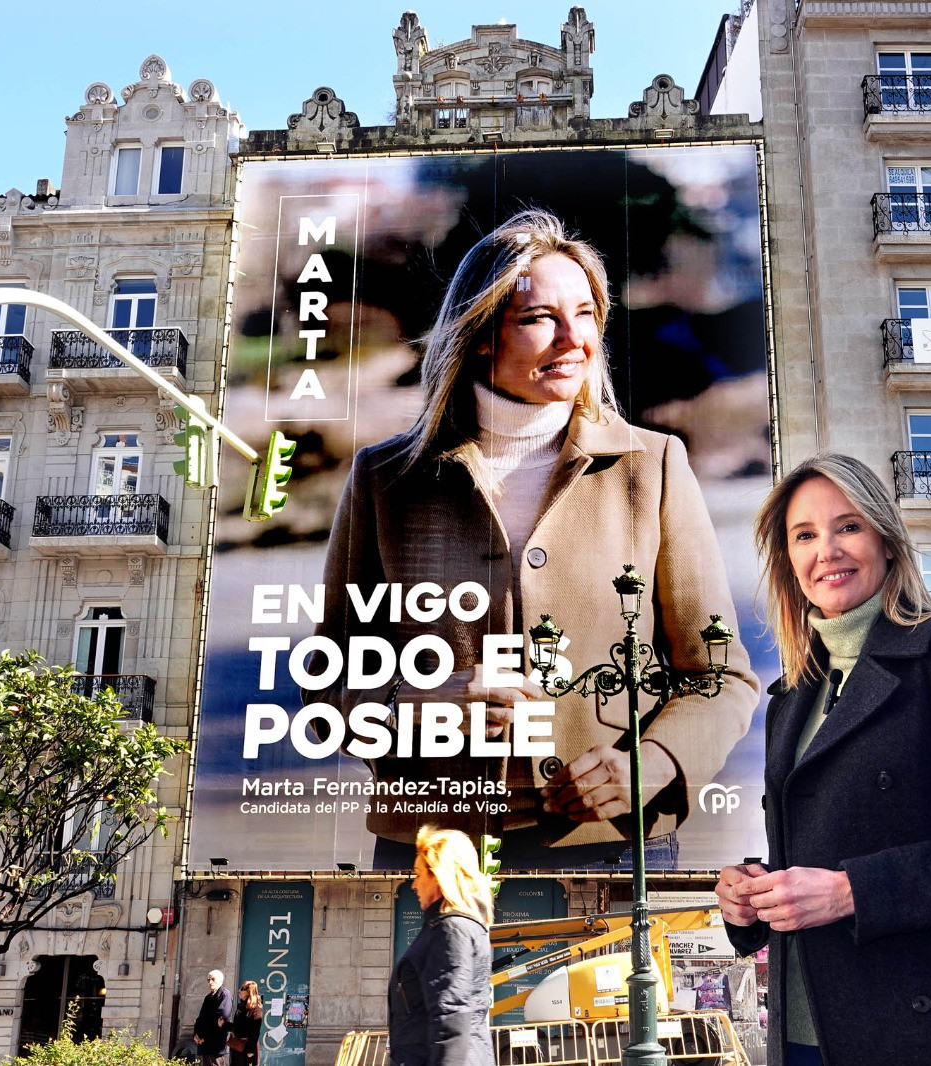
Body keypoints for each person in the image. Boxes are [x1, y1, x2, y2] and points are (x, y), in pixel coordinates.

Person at [312, 208, 759, 869]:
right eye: (539, 318)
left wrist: (653, 762)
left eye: (585, 315)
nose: (572, 339)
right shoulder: (386, 478)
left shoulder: (653, 466)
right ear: (484, 332)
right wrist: (431, 698)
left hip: (611, 849)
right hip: (434, 854)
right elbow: (328, 688)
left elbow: (721, 679)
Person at [714, 453, 931, 1066]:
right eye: (805, 535)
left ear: (885, 540)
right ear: (787, 563)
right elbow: (820, 856)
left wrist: (853, 891)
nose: (826, 550)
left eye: (847, 526)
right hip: (807, 1030)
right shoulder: (790, 699)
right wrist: (750, 898)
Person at [388, 826, 493, 1066]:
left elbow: (451, 1019)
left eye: (418, 874)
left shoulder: (451, 930)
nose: (413, 885)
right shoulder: (459, 926)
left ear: (438, 875)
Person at [191, 969, 234, 1066]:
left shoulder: (225, 994)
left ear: (220, 980)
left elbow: (221, 1017)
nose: (210, 982)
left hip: (216, 1045)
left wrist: (204, 1037)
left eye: (213, 979)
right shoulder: (208, 997)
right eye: (208, 980)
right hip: (205, 1044)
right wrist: (196, 1034)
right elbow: (201, 1018)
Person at [230, 980, 264, 1066]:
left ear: (248, 992)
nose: (239, 990)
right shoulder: (240, 1006)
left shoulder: (256, 1008)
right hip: (237, 1045)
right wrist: (224, 1024)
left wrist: (251, 1049)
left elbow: (255, 1030)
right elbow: (236, 1025)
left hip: (248, 1046)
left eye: (242, 988)